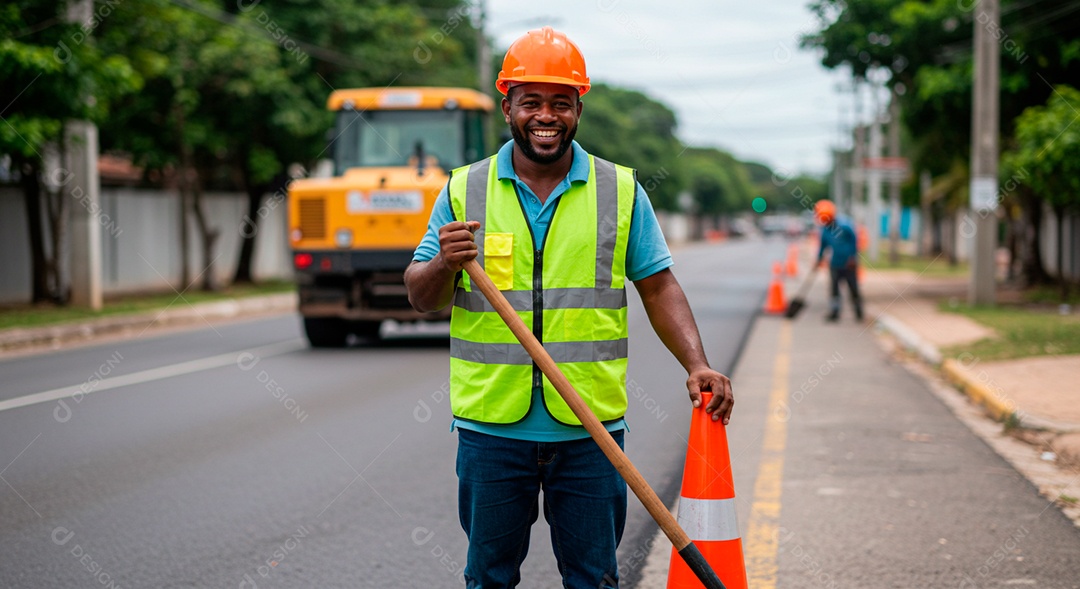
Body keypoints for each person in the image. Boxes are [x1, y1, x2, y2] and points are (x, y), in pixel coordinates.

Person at [403, 26, 734, 589]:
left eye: (561, 102)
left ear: (578, 108)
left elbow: (658, 286)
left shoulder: (620, 190)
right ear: (507, 106)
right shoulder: (464, 190)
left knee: (593, 579)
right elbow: (420, 297)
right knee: (488, 577)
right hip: (492, 432)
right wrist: (443, 264)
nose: (546, 115)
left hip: (590, 432)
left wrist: (696, 364)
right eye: (531, 101)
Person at [814, 199, 863, 321]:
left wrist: (853, 257)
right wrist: (818, 259)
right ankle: (835, 312)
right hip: (835, 264)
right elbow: (823, 246)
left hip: (849, 264)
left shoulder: (845, 226)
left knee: (853, 289)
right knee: (834, 290)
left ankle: (859, 313)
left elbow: (854, 242)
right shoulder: (825, 230)